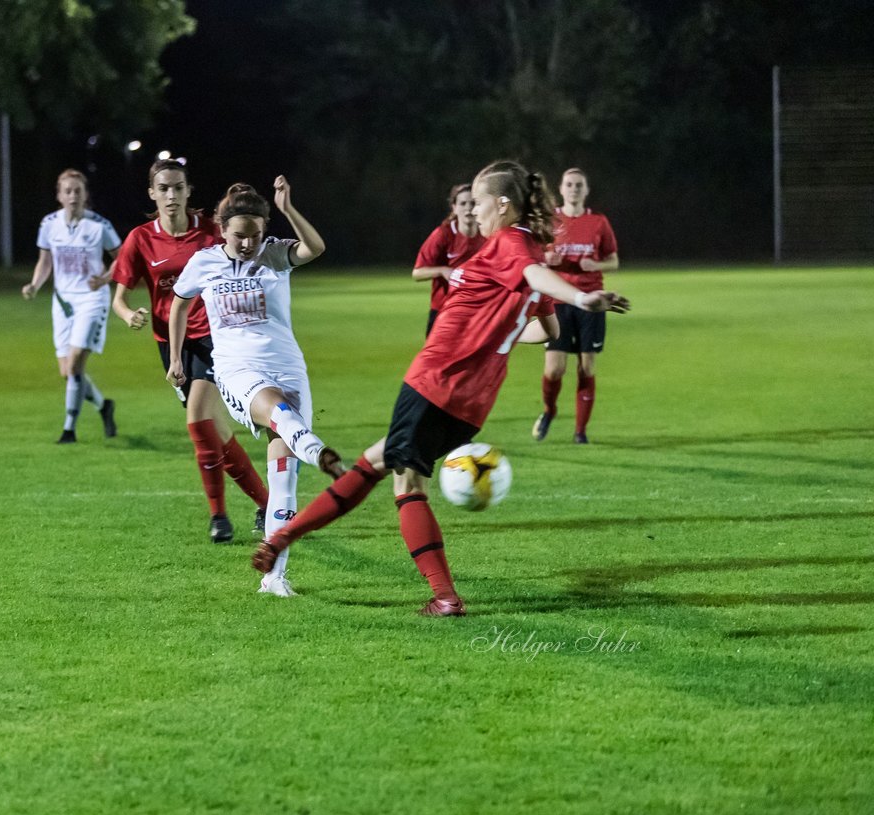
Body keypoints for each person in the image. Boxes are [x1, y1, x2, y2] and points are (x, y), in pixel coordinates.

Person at [252, 161, 630, 616]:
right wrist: (502, 333)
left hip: (438, 382)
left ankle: (445, 596)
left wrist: (581, 297)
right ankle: (281, 539)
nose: (474, 210)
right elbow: (544, 329)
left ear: (503, 204)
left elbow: (534, 279)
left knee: (405, 480)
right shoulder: (517, 249)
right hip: (470, 401)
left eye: (480, 201)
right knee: (376, 459)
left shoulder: (512, 245)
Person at [168, 177, 343, 597]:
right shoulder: (205, 262)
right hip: (235, 368)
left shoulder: (275, 255)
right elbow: (179, 303)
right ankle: (314, 445)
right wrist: (176, 358)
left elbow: (315, 248)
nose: (248, 244)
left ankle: (275, 576)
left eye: (255, 235)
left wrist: (288, 206)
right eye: (239, 235)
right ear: (222, 230)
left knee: (282, 480)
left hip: (287, 365)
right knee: (278, 413)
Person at [109, 159, 270, 544]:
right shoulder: (141, 239)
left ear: (187, 191)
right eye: (163, 188)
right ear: (152, 193)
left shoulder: (210, 232)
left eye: (178, 187)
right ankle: (269, 504)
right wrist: (130, 313)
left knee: (198, 421)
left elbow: (245, 246)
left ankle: (219, 518)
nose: (171, 195)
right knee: (216, 431)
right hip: (171, 344)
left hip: (217, 337)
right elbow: (118, 297)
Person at [22, 169, 122, 444]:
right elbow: (45, 261)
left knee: (76, 362)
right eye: (68, 191)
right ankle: (104, 406)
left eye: (78, 191)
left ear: (85, 195)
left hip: (92, 299)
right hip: (63, 301)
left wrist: (104, 278)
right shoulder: (49, 224)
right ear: (59, 195)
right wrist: (34, 284)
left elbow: (122, 257)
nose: (73, 196)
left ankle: (69, 429)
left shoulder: (99, 225)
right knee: (67, 371)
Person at [532, 167, 620, 444]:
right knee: (555, 369)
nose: (574, 189)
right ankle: (549, 410)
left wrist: (597, 264)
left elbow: (614, 260)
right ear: (560, 189)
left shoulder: (598, 222)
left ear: (586, 190)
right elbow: (532, 258)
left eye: (579, 185)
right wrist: (548, 259)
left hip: (591, 301)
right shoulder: (550, 221)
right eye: (569, 184)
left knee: (587, 367)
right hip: (558, 299)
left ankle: (580, 432)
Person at [412, 184, 485, 336]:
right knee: (435, 359)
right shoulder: (443, 235)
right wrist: (442, 270)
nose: (468, 208)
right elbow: (417, 273)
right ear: (454, 207)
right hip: (443, 310)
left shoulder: (487, 235)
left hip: (475, 310)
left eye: (472, 203)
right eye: (463, 203)